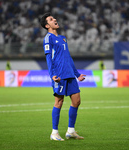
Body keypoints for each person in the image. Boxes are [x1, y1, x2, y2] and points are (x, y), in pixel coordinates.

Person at [39, 13, 86, 141]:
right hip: (59, 75)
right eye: (51, 19)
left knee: (77, 101)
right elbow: (48, 58)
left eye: (54, 18)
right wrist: (52, 75)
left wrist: (77, 74)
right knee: (59, 102)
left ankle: (70, 131)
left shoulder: (63, 38)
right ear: (47, 25)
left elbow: (68, 57)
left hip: (70, 74)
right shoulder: (48, 38)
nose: (55, 19)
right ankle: (54, 133)